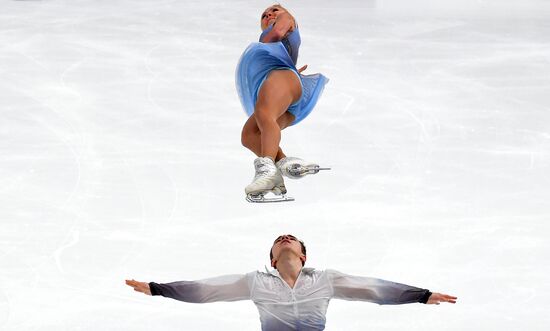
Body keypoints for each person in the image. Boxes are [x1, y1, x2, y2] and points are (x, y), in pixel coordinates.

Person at [126, 234, 457, 331]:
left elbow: (373, 289)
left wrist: (421, 295)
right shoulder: (255, 282)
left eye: (292, 239)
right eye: (279, 240)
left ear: (302, 257)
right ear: (273, 259)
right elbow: (206, 290)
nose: (285, 238)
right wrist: (158, 288)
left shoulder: (326, 280)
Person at [235, 4, 329, 199]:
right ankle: (285, 163)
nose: (269, 14)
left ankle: (267, 170)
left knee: (264, 115)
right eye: (264, 15)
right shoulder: (278, 47)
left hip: (281, 77)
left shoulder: (286, 20)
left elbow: (276, 34)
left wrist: (268, 36)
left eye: (274, 10)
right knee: (250, 134)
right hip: (284, 83)